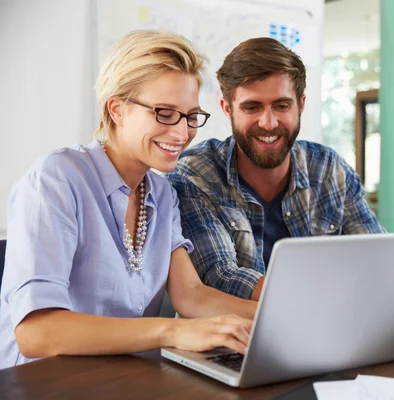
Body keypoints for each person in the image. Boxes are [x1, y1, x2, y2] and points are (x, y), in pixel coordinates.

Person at [0, 30, 257, 370]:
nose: (182, 133)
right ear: (117, 109)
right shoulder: (57, 179)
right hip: (43, 382)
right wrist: (173, 330)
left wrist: (282, 320)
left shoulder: (162, 194)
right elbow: (37, 333)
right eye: (164, 113)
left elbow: (192, 295)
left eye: (191, 116)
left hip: (125, 379)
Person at [167, 37, 394, 309]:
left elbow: (374, 253)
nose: (268, 123)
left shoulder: (329, 169)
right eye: (252, 107)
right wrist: (330, 295)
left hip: (333, 328)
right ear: (227, 109)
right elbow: (220, 275)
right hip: (233, 337)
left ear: (301, 105)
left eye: (281, 105)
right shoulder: (196, 174)